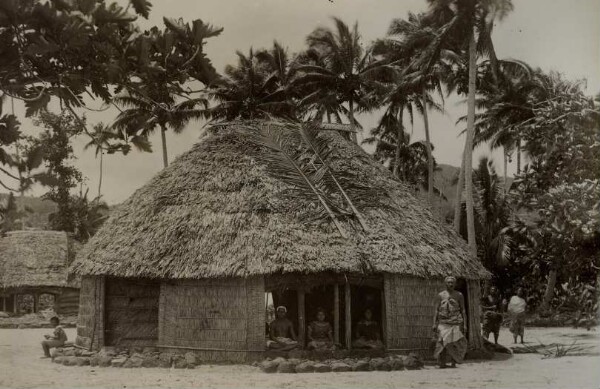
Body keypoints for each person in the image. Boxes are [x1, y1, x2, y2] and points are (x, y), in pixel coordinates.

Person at [432, 276, 468, 368]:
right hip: (443, 322)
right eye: (449, 282)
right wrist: (434, 323)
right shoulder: (440, 295)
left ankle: (453, 362)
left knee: (454, 342)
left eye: (452, 282)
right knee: (442, 342)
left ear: (455, 284)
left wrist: (465, 324)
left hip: (455, 322)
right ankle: (442, 362)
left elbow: (463, 310)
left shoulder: (459, 295)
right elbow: (436, 310)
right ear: (445, 283)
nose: (450, 284)